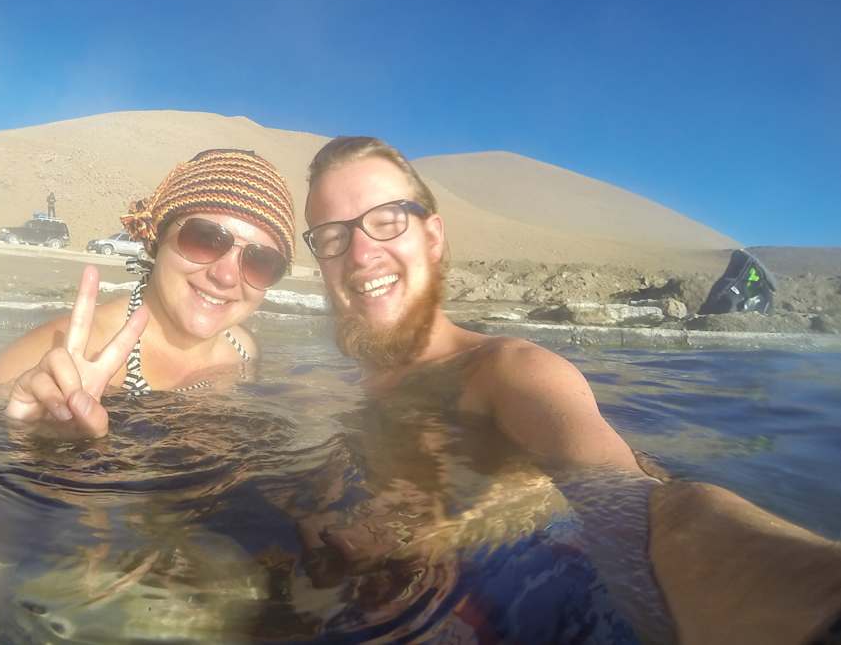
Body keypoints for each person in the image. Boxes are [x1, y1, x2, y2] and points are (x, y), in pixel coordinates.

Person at [302, 135, 841, 644]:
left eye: (387, 221)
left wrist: (807, 596)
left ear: (434, 236)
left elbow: (631, 496)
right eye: (333, 236)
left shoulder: (508, 370)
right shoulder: (344, 384)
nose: (360, 253)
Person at [0, 148, 296, 440]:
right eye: (205, 239)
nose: (225, 276)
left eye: (261, 262)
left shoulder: (246, 350)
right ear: (157, 237)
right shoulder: (45, 360)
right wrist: (30, 442)